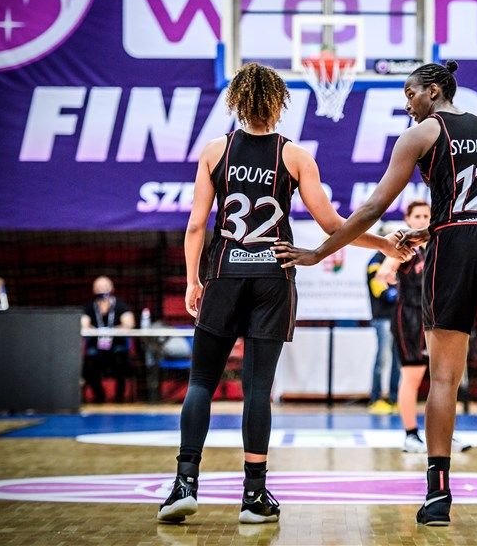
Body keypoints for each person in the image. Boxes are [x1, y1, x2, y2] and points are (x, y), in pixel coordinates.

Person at [273, 61, 477, 525]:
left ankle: (438, 496)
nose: (407, 104)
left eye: (410, 93)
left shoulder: (420, 134)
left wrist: (319, 253)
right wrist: (430, 230)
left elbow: (373, 207)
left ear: (434, 91)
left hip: (457, 246)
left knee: (442, 378)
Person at [157, 63, 408, 525]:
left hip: (224, 272)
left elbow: (195, 225)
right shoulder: (294, 156)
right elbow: (333, 225)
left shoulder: (215, 151)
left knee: (201, 381)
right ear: (278, 103)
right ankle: (254, 495)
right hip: (273, 276)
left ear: (237, 101)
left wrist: (193, 280)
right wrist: (383, 244)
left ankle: (184, 484)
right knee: (258, 388)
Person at [377, 201, 472, 454]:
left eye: (426, 216)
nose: (422, 220)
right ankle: (410, 435)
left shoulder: (439, 245)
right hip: (410, 316)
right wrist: (389, 275)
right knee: (412, 376)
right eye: (417, 216)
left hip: (437, 316)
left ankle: (444, 434)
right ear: (408, 220)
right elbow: (383, 272)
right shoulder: (405, 246)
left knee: (444, 376)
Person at [81, 276, 136, 403]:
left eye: (105, 286)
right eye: (99, 287)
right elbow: (84, 325)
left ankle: (119, 396)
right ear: (94, 290)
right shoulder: (89, 307)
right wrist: (98, 331)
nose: (102, 289)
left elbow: (129, 324)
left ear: (112, 288)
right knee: (89, 363)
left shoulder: (121, 305)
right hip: (97, 348)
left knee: (121, 359)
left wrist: (111, 330)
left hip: (116, 347)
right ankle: (99, 395)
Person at [366, 230, 401, 414]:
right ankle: (376, 398)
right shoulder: (375, 261)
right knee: (382, 358)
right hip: (383, 318)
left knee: (398, 360)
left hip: (398, 317)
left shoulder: (397, 259)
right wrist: (395, 292)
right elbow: (379, 289)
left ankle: (395, 398)